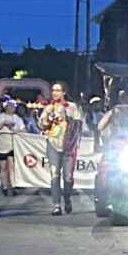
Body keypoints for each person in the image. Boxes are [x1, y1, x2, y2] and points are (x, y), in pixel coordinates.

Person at [42, 79, 86, 214]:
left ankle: (67, 199)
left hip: (69, 146)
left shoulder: (72, 107)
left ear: (64, 92)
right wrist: (46, 120)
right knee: (54, 174)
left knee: (68, 177)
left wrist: (74, 142)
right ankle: (56, 204)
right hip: (53, 143)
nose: (55, 93)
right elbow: (41, 125)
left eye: (58, 90)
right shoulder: (49, 108)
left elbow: (78, 126)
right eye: (53, 90)